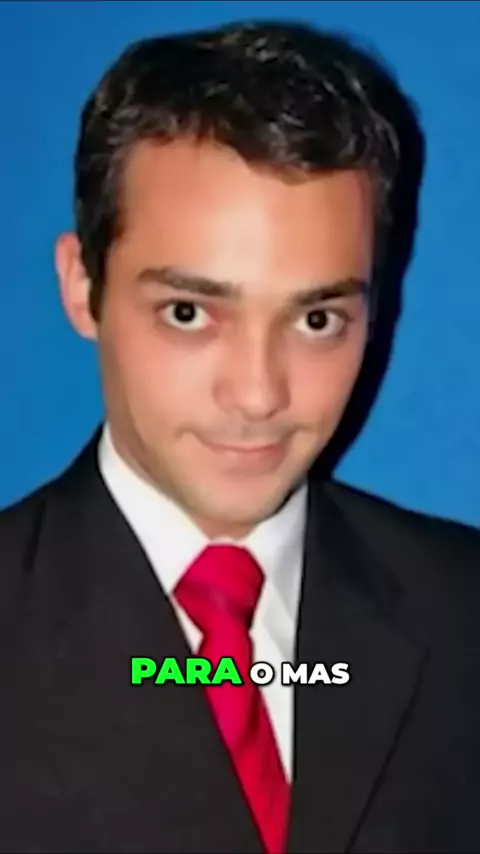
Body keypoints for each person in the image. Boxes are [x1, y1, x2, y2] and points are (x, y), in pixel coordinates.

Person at [1, 18, 479, 854]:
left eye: (317, 318)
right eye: (189, 313)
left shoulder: (465, 607)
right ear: (83, 287)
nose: (259, 395)